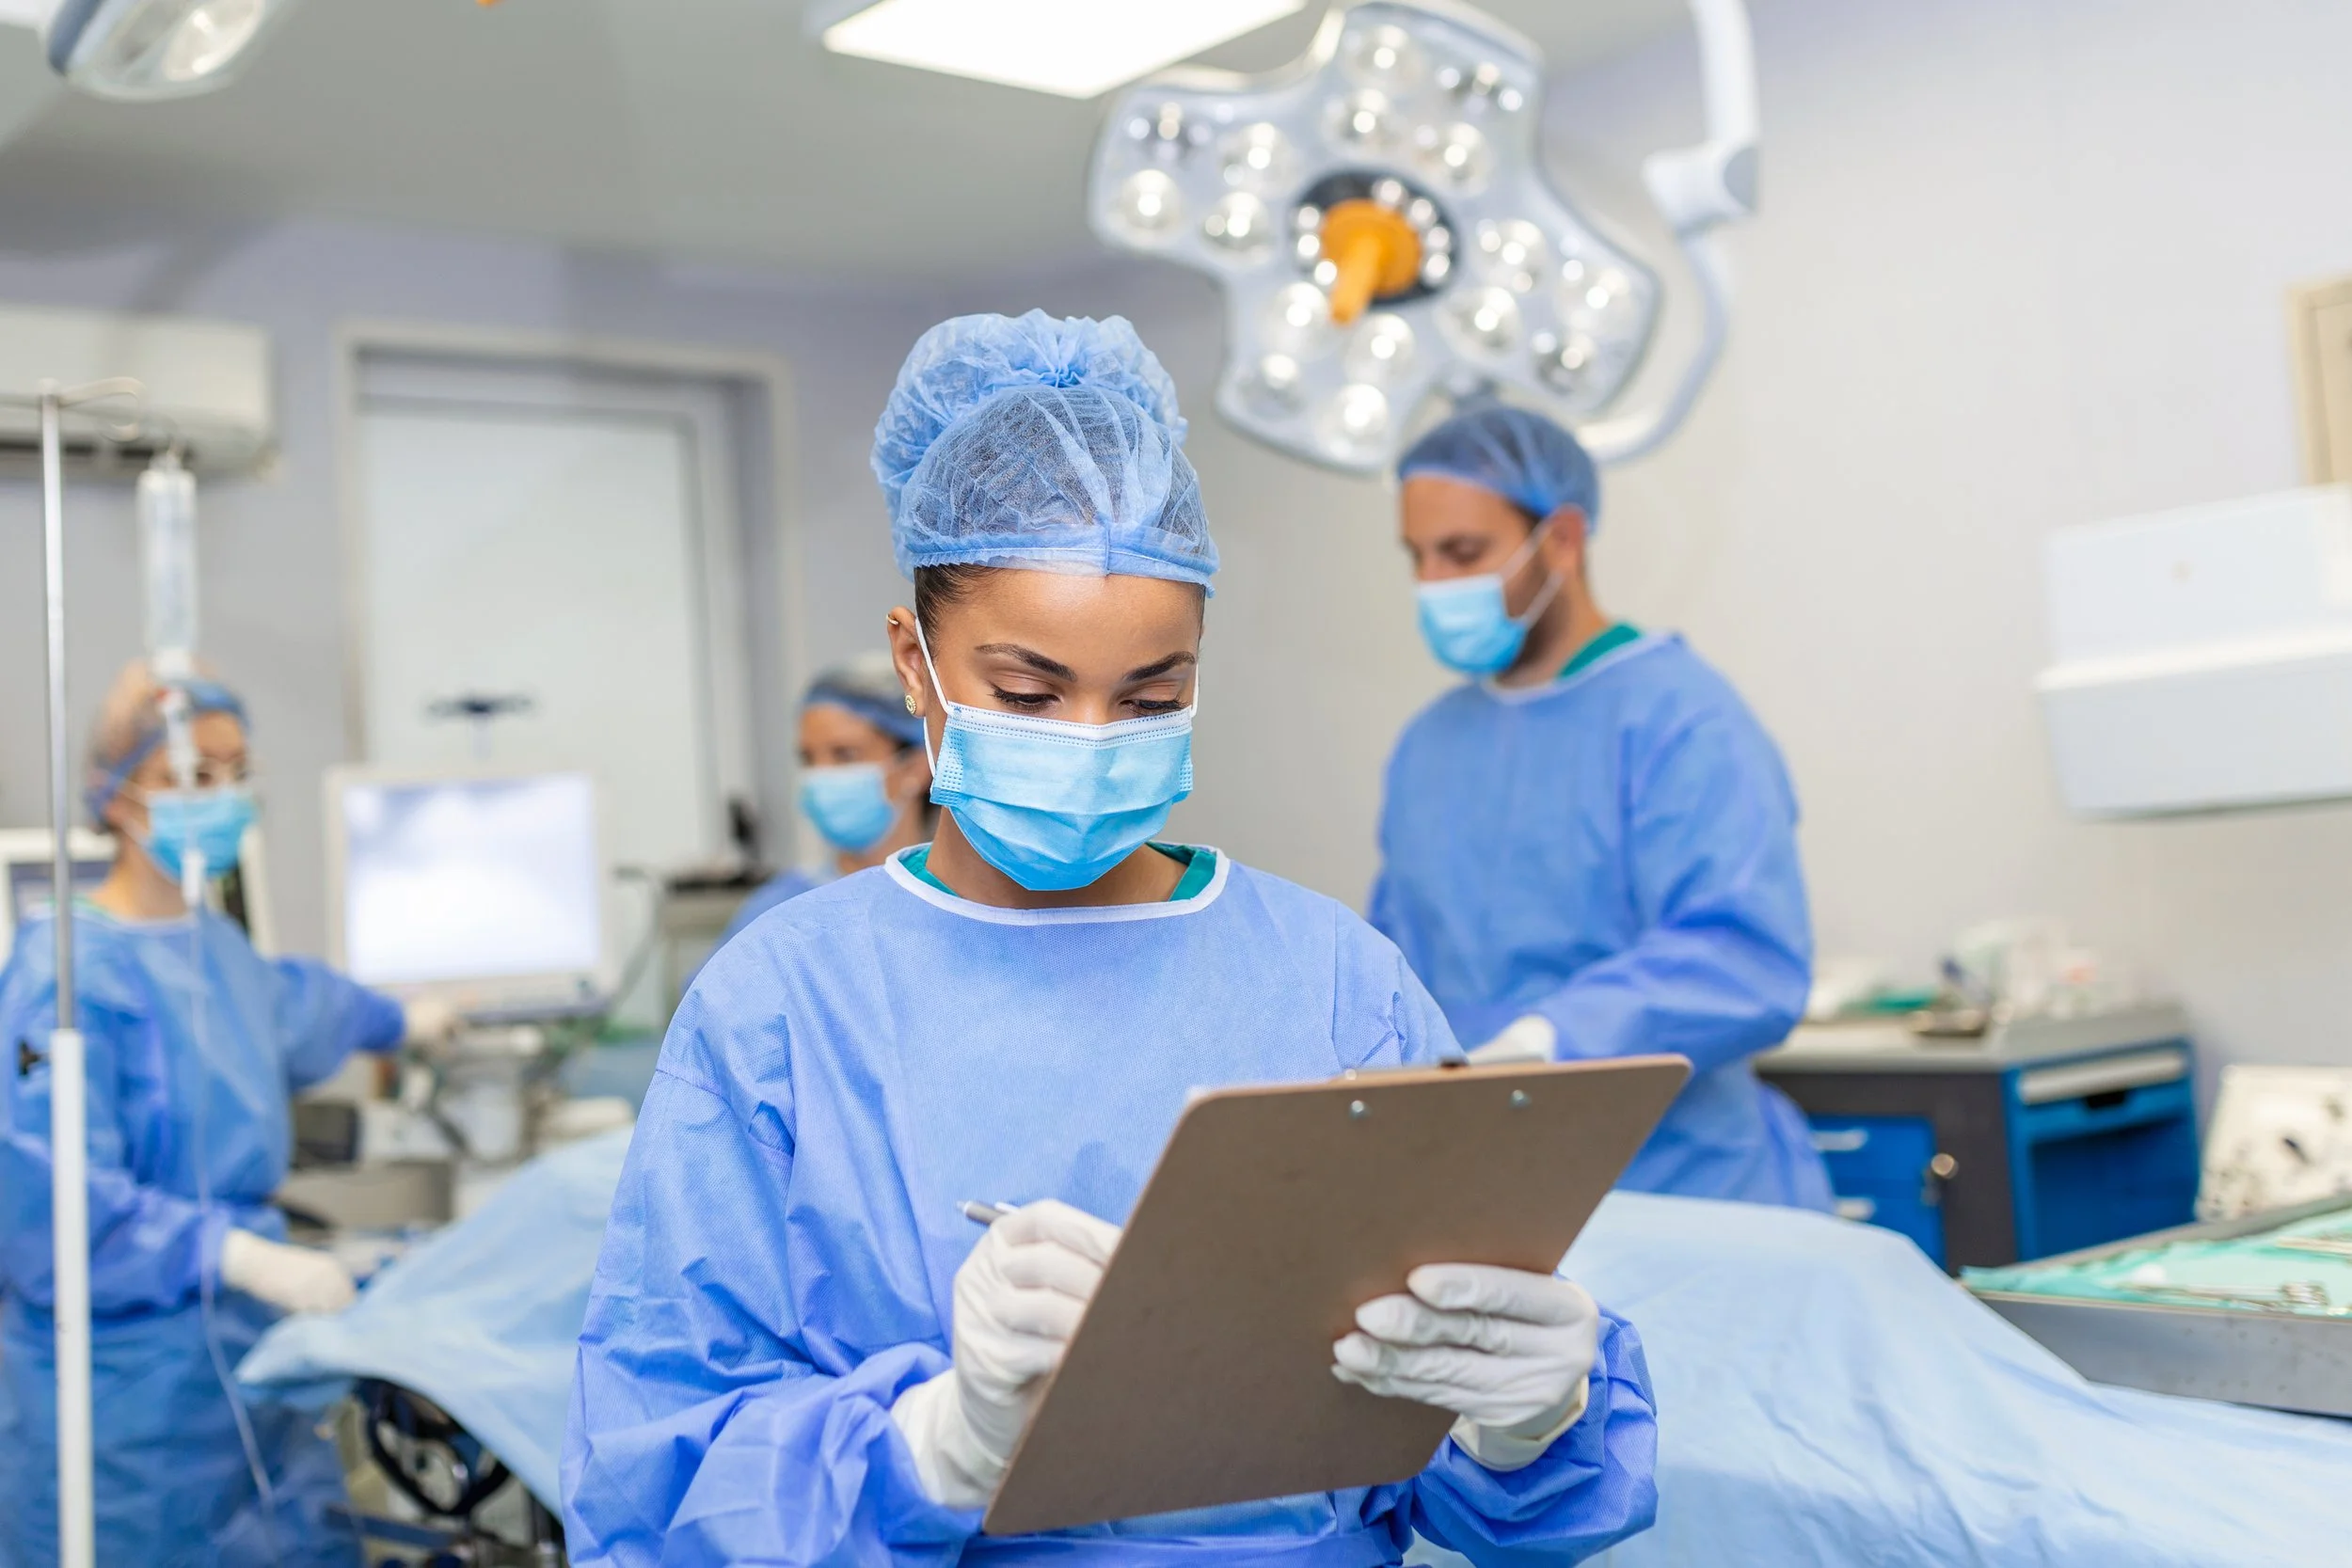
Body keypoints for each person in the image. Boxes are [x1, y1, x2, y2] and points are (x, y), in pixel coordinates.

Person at [564, 313, 1658, 1565]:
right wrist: (935, 1444)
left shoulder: (1336, 979)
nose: (1089, 739)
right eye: (1028, 693)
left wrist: (1524, 1426)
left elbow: (1466, 1477)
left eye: (1149, 696)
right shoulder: (780, 1002)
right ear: (914, 665)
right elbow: (655, 1492)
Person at [0, 663, 457, 1568]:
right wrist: (237, 1255)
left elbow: (299, 1008)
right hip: (131, 1407)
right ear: (118, 792)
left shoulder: (218, 949)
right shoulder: (63, 973)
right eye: (191, 775)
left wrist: (407, 1020)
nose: (221, 796)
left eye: (236, 772)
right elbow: (47, 1208)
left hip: (255, 1375)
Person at [1369, 404, 1833, 1211]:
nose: (1435, 585)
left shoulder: (1682, 718)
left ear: (1562, 539)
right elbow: (1395, 966)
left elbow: (1744, 958)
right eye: (1419, 556)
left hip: (1685, 1193)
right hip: (1497, 1188)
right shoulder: (1430, 746)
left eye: (1464, 553)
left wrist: (1546, 1041)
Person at [716, 653, 936, 946]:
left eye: (845, 755)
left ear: (916, 767)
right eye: (808, 758)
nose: (821, 776)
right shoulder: (778, 910)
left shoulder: (954, 904)